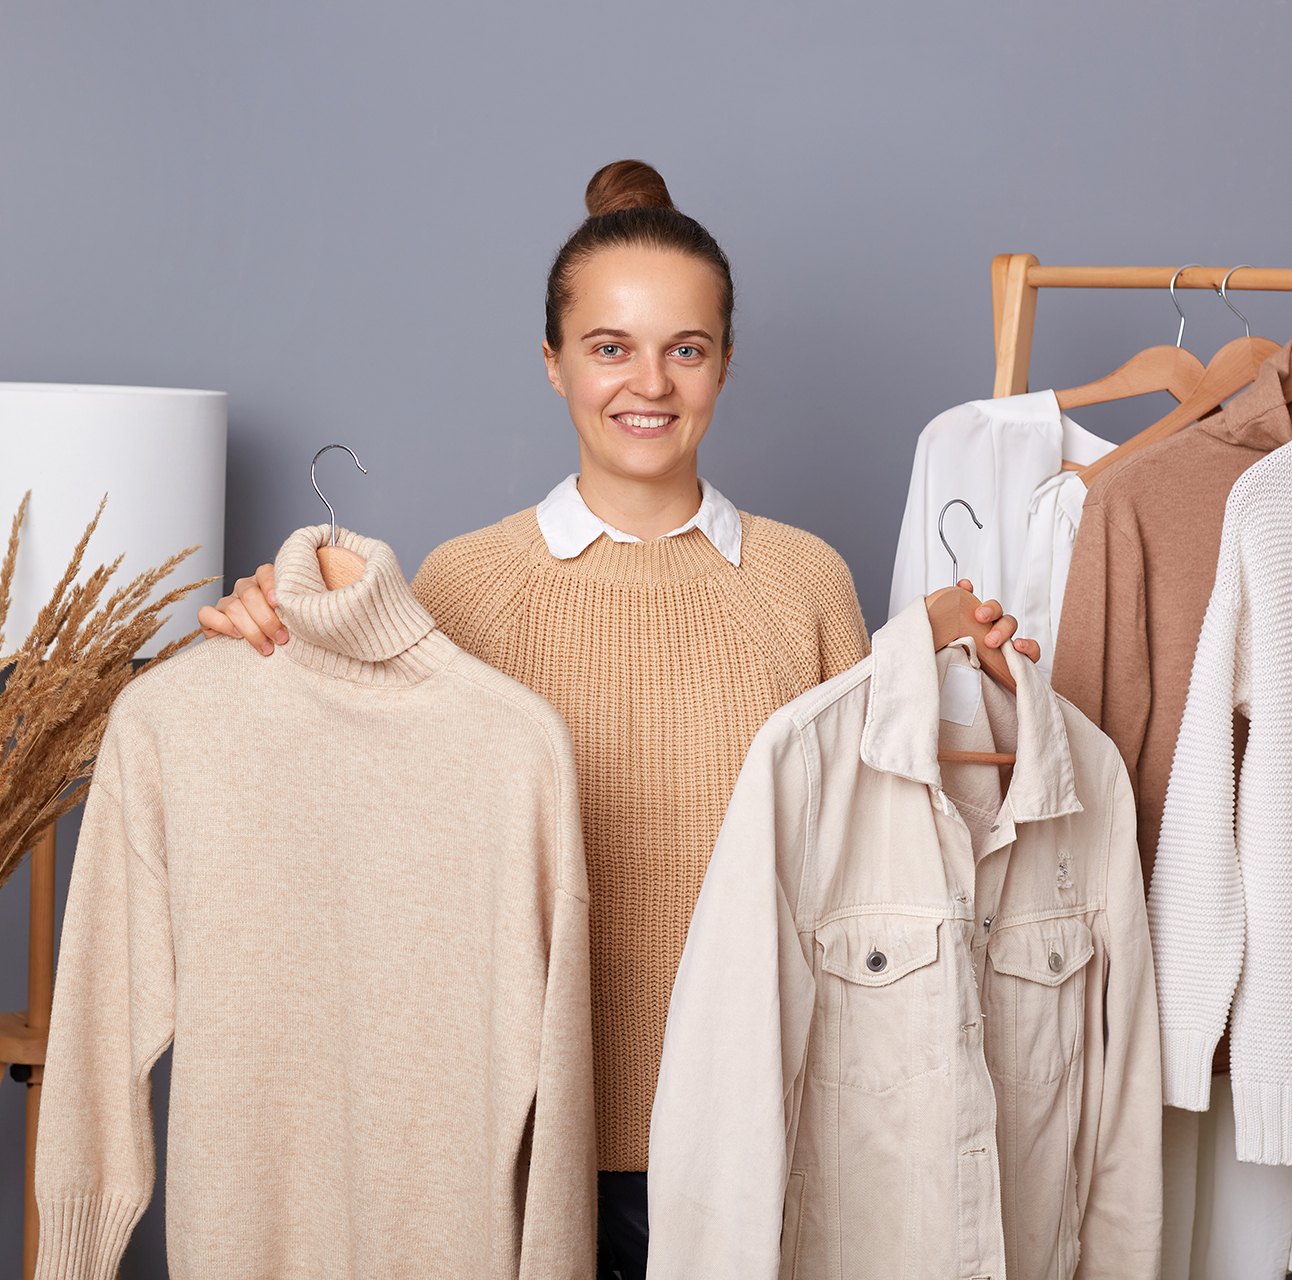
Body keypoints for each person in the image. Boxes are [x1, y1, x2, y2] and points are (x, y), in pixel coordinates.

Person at [200, 159, 1037, 1278]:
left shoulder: (805, 583)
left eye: (684, 348)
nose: (649, 382)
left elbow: (862, 850)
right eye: (610, 347)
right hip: (528, 1128)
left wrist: (917, 651)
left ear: (726, 363)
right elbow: (378, 833)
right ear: (552, 363)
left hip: (759, 1118)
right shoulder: (466, 585)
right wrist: (280, 631)